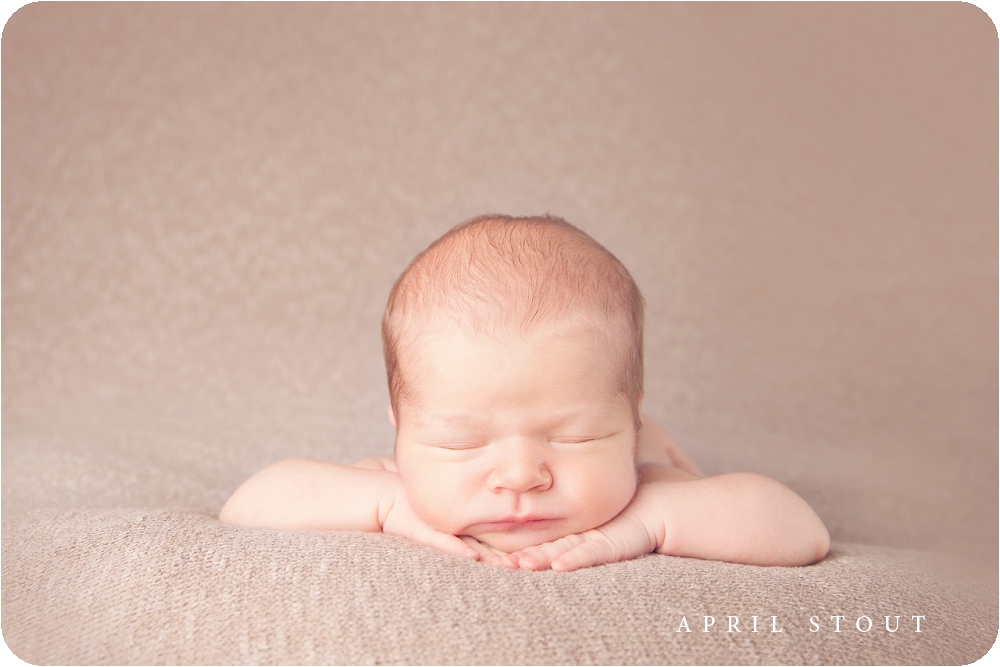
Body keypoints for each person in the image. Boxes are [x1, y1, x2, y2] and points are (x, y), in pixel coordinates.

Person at [219, 214, 829, 571]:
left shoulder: (643, 485)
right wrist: (388, 506)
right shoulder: (400, 483)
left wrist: (652, 519)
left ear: (631, 425)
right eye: (460, 443)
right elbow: (249, 503)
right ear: (401, 432)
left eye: (574, 436)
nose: (519, 476)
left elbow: (801, 531)